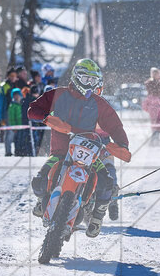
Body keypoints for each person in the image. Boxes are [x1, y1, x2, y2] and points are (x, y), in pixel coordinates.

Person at [25, 58, 130, 238]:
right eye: (85, 78)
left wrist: (122, 145)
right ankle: (42, 201)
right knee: (39, 179)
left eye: (92, 80)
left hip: (89, 153)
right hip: (60, 152)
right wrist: (47, 118)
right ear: (75, 76)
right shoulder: (59, 94)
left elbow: (115, 126)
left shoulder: (98, 103)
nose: (88, 83)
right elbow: (33, 109)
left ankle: (97, 218)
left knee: (107, 181)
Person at [143, 67, 160, 146]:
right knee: (155, 123)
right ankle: (153, 140)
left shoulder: (159, 82)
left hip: (159, 105)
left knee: (159, 122)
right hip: (154, 105)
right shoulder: (150, 82)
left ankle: (156, 139)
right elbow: (154, 92)